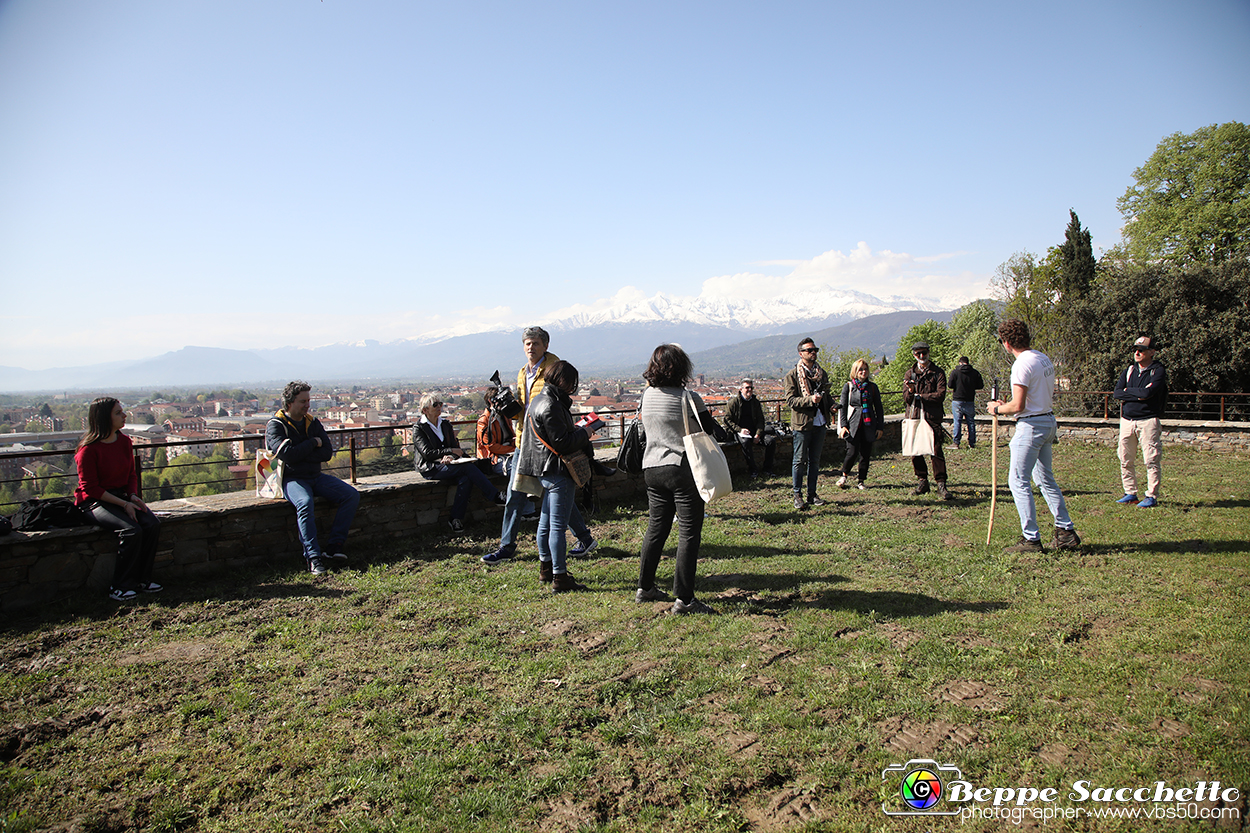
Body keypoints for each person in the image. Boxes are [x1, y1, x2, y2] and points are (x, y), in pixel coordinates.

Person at [481, 326, 597, 564]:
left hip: (544, 443)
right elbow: (526, 408)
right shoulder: (523, 372)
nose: (530, 347)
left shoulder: (554, 368)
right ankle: (582, 538)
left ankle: (513, 549)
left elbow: (553, 405)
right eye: (527, 343)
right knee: (537, 493)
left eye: (535, 343)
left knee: (539, 492)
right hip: (524, 439)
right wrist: (510, 408)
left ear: (545, 345)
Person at [635, 344, 721, 614]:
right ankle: (684, 599)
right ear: (681, 367)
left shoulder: (646, 396)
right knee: (688, 533)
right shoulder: (688, 398)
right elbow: (707, 430)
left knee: (656, 528)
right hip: (682, 469)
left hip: (652, 468)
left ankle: (645, 587)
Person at [986, 319, 1081, 552]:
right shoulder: (1042, 358)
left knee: (1018, 481)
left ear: (1007, 343)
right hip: (1047, 420)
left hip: (1030, 427)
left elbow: (1017, 405)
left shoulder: (1021, 364)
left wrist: (997, 409)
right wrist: (1006, 405)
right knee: (1044, 479)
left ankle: (1031, 539)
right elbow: (1030, 398)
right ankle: (1065, 531)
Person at [513, 360, 596, 592]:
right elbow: (563, 443)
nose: (573, 387)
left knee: (545, 523)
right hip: (558, 470)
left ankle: (545, 568)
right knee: (557, 527)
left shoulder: (538, 400)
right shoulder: (552, 405)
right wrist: (586, 432)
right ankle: (560, 576)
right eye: (572, 383)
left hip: (543, 469)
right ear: (563, 381)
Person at [267, 382, 361, 576]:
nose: (307, 405)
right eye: (303, 401)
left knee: (350, 495)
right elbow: (287, 455)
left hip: (315, 476)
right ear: (290, 402)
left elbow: (326, 452)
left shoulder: (313, 422)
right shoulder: (276, 425)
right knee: (305, 503)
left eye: (308, 400)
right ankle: (313, 557)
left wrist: (299, 451)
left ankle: (334, 547)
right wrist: (312, 443)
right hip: (292, 480)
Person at [74, 397, 162, 601]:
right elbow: (90, 488)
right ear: (104, 417)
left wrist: (132, 496)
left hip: (121, 496)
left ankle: (142, 579)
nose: (124, 416)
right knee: (131, 530)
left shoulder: (124, 442)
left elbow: (131, 474)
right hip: (93, 502)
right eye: (118, 413)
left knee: (152, 524)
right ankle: (120, 586)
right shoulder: (88, 450)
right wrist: (124, 504)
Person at [413, 392, 505, 532]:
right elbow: (426, 453)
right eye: (435, 405)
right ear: (425, 410)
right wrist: (446, 453)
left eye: (440, 404)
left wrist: (451, 456)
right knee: (467, 469)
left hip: (450, 465)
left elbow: (455, 449)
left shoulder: (445, 424)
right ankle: (495, 496)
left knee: (465, 479)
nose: (439, 407)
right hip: (431, 467)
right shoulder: (419, 428)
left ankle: (455, 519)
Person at [1112, 336, 1167, 508]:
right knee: (1125, 458)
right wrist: (1138, 393)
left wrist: (1133, 392)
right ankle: (1130, 493)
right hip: (1127, 420)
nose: (1137, 353)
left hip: (1148, 420)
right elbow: (1117, 393)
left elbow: (1148, 393)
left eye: (1141, 350)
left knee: (1151, 459)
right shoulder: (1129, 370)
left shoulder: (1158, 370)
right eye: (1135, 349)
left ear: (1152, 352)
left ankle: (1151, 495)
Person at [783, 338, 832, 510]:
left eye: (815, 350)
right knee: (799, 460)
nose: (813, 353)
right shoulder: (792, 375)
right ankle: (797, 495)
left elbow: (827, 395)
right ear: (801, 353)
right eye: (809, 350)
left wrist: (831, 405)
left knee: (815, 461)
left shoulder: (821, 373)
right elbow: (791, 401)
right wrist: (810, 400)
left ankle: (812, 494)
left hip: (819, 421)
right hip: (802, 424)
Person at [476, 387, 536, 518]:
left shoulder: (505, 416)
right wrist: (513, 449)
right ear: (491, 401)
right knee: (517, 471)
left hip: (506, 453)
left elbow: (510, 437)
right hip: (493, 459)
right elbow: (490, 446)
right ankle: (524, 511)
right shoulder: (484, 420)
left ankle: (527, 510)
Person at [904, 342, 950, 500]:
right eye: (918, 354)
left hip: (932, 416)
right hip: (915, 415)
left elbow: (940, 395)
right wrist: (911, 391)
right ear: (914, 355)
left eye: (924, 353)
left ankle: (941, 483)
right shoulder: (910, 374)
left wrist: (920, 396)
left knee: (936, 450)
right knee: (915, 450)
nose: (922, 356)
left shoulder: (938, 373)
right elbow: (906, 399)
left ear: (928, 353)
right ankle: (922, 480)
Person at [835, 360, 885, 489]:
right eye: (860, 369)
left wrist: (880, 426)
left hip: (869, 424)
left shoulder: (873, 387)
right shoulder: (849, 386)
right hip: (853, 424)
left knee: (865, 453)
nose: (864, 372)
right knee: (851, 452)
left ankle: (861, 480)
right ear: (855, 372)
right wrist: (843, 425)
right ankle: (844, 475)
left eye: (866, 369)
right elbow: (843, 407)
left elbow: (878, 408)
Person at [725, 378, 776, 480]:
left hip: (753, 431)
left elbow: (761, 420)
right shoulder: (733, 403)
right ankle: (753, 470)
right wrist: (740, 430)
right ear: (741, 389)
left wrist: (758, 434)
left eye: (751, 388)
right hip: (739, 432)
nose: (749, 390)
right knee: (746, 442)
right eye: (747, 387)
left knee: (771, 441)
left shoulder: (755, 402)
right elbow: (727, 420)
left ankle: (767, 469)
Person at [948, 356, 984, 448]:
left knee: (957, 422)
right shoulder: (975, 373)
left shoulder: (955, 372)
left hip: (957, 400)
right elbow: (980, 385)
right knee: (971, 422)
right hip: (970, 400)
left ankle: (956, 442)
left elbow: (950, 385)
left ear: (960, 363)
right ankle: (972, 443)